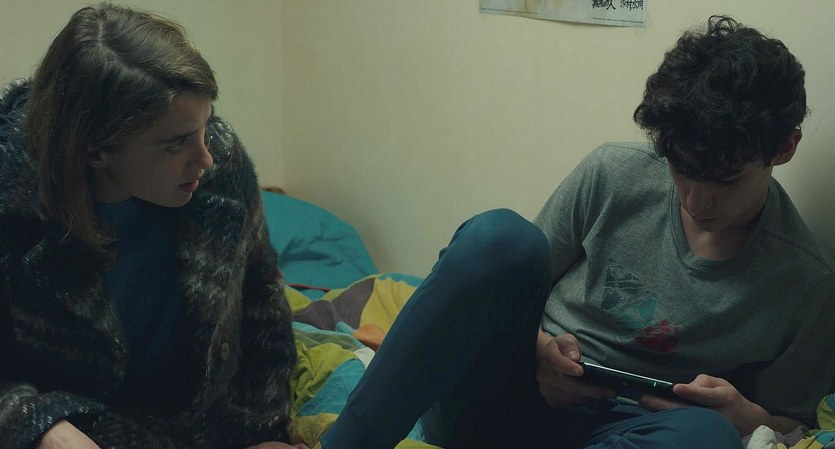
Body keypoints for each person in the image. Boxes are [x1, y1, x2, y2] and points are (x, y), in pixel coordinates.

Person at [319, 15, 835, 449]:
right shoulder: (614, 173)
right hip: (507, 395)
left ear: (785, 148)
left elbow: (793, 425)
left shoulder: (805, 282)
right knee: (500, 238)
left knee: (707, 437)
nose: (697, 200)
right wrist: (538, 352)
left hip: (634, 430)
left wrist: (747, 417)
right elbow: (504, 292)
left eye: (725, 180)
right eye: (682, 169)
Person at [0, 4, 307, 449]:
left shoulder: (222, 169)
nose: (206, 158)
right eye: (175, 144)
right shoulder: (12, 206)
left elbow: (261, 300)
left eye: (205, 128)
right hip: (79, 424)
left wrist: (262, 431)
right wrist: (40, 425)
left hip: (202, 425)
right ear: (94, 150)